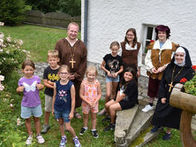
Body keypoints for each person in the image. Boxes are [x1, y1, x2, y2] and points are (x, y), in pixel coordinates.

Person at [150, 47, 194, 140]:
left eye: (181, 56)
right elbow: (162, 82)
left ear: (185, 57)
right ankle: (158, 125)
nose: (178, 57)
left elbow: (189, 87)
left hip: (177, 96)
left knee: (172, 115)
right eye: (177, 55)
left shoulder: (189, 71)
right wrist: (161, 96)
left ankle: (168, 132)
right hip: (165, 93)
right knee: (159, 110)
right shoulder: (170, 66)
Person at [142, 25, 179, 112]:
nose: (161, 34)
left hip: (165, 73)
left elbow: (174, 60)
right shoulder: (153, 45)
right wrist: (151, 68)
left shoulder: (173, 46)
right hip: (153, 72)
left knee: (162, 89)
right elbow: (147, 58)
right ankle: (150, 104)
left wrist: (164, 67)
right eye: (159, 33)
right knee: (152, 88)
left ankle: (160, 106)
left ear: (167, 34)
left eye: (163, 33)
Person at [55, 22, 87, 119]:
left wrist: (77, 74)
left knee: (76, 93)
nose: (73, 33)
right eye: (71, 31)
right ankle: (63, 109)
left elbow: (83, 61)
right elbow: (57, 59)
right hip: (64, 75)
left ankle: (74, 110)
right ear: (67, 30)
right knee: (64, 92)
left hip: (76, 75)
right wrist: (64, 74)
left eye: (75, 31)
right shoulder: (60, 43)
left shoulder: (81, 45)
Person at [16, 60, 45, 145]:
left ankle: (38, 134)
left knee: (37, 119)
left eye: (31, 70)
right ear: (23, 70)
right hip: (26, 104)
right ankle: (30, 135)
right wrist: (19, 89)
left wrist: (41, 86)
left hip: (36, 103)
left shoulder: (36, 78)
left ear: (34, 69)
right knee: (27, 119)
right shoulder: (21, 80)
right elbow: (18, 89)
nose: (29, 72)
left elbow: (41, 86)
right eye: (27, 70)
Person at [52, 65, 81, 147]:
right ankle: (63, 137)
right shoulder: (56, 84)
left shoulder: (71, 85)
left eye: (65, 73)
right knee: (60, 123)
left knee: (68, 127)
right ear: (58, 74)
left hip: (66, 109)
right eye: (62, 73)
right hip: (57, 108)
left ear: (69, 74)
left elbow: (73, 99)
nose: (63, 75)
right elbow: (54, 96)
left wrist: (72, 112)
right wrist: (53, 108)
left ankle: (75, 137)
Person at [104, 67, 138, 131]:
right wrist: (115, 100)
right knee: (106, 105)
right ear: (124, 74)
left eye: (130, 75)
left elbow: (123, 95)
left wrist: (115, 102)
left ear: (133, 77)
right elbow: (119, 91)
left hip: (128, 101)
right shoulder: (122, 80)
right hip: (120, 97)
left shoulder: (132, 84)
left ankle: (112, 124)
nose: (127, 76)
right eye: (126, 74)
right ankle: (110, 116)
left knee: (111, 107)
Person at [99, 41, 123, 116]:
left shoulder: (119, 58)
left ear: (118, 49)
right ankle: (105, 108)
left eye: (116, 50)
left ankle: (110, 108)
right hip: (109, 77)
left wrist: (117, 73)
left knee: (113, 93)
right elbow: (102, 66)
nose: (114, 51)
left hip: (116, 77)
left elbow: (122, 68)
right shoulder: (107, 56)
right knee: (108, 94)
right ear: (110, 48)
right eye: (113, 49)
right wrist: (107, 71)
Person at [79, 66, 102, 138]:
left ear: (96, 75)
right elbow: (81, 94)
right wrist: (88, 102)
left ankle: (93, 129)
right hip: (86, 103)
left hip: (94, 103)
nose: (91, 77)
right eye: (90, 75)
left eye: (93, 75)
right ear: (86, 75)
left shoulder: (97, 83)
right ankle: (85, 127)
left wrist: (95, 102)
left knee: (94, 117)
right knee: (85, 116)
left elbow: (99, 94)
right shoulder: (83, 83)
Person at [41, 50, 60, 134]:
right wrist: (53, 86)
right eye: (50, 60)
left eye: (54, 60)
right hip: (48, 93)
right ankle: (46, 124)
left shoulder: (60, 70)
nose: (52, 62)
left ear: (58, 60)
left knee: (60, 109)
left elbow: (62, 82)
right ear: (48, 60)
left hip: (59, 93)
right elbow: (44, 82)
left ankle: (62, 124)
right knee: (47, 109)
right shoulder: (47, 70)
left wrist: (51, 82)